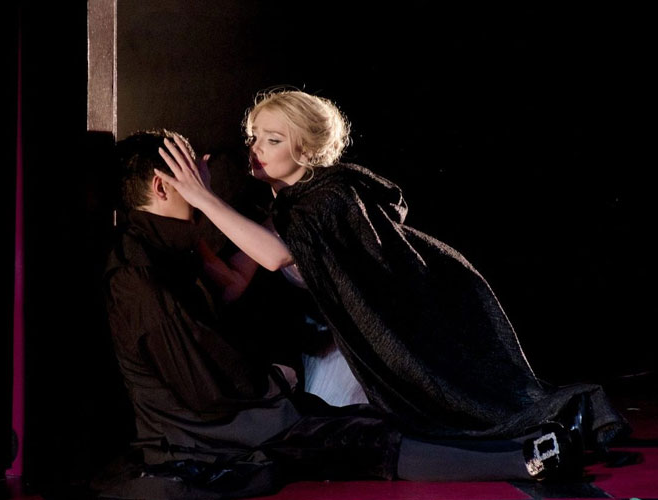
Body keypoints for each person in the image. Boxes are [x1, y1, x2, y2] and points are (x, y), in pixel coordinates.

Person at [95, 129, 587, 500]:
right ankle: (527, 458)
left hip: (246, 412)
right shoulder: (141, 272)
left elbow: (228, 297)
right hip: (219, 432)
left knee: (375, 423)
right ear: (162, 185)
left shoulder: (178, 245)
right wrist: (273, 381)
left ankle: (523, 442)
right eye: (188, 164)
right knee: (366, 439)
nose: (205, 165)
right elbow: (204, 385)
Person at [155, 89, 630, 453]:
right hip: (344, 344)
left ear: (308, 151)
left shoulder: (331, 195)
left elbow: (277, 256)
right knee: (338, 433)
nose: (256, 148)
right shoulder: (282, 211)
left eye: (272, 140)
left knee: (438, 424)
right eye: (254, 137)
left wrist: (203, 197)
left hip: (400, 334)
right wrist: (189, 221)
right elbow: (236, 281)